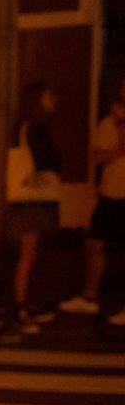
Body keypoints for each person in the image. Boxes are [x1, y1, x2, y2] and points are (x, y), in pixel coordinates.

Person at [59, 92, 125, 325]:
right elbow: (97, 156)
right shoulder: (107, 121)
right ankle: (90, 297)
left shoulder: (117, 121)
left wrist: (121, 124)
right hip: (109, 193)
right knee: (93, 243)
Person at [7, 83, 62, 332]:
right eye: (50, 95)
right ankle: (20, 309)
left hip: (28, 199)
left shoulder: (25, 126)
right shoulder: (34, 128)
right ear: (38, 100)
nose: (55, 99)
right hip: (31, 200)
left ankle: (25, 304)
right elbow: (47, 161)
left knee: (29, 254)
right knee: (28, 255)